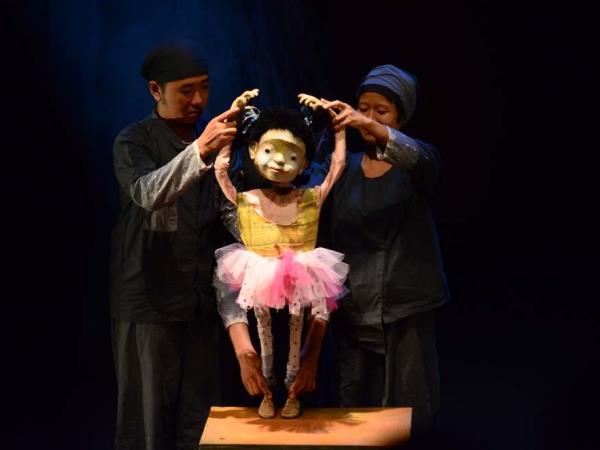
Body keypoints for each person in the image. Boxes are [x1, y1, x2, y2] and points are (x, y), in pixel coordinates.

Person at [110, 42, 239, 450]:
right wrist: (200, 150)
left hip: (198, 303)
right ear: (156, 90)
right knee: (147, 421)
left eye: (204, 87)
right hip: (148, 302)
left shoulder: (217, 148)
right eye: (186, 90)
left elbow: (229, 215)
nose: (198, 99)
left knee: (200, 422)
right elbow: (148, 192)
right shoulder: (134, 141)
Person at [319, 64, 450, 438]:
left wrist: (367, 123)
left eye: (382, 111)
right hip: (354, 310)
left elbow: (420, 158)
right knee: (353, 411)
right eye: (363, 108)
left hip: (403, 311)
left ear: (401, 118)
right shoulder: (343, 167)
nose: (369, 117)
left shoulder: (418, 163)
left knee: (406, 412)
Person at [213, 91, 348, 419]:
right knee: (262, 326)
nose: (278, 161)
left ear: (304, 162)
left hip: (301, 271)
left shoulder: (311, 198)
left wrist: (338, 126)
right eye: (269, 150)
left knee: (297, 325)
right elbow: (220, 169)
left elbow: (338, 165)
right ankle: (268, 389)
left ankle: (291, 389)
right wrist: (233, 115)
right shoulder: (247, 199)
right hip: (259, 271)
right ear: (253, 149)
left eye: (291, 155)